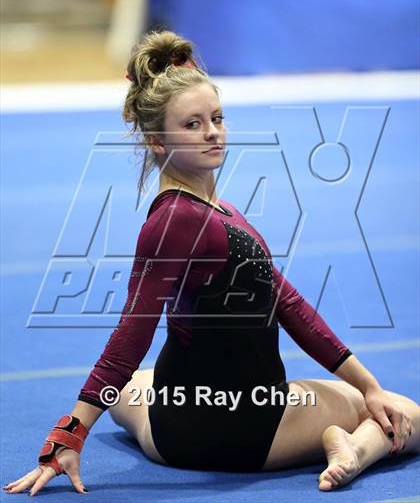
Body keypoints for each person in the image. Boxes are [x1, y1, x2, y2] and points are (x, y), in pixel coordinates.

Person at [3, 31, 419, 497]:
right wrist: (69, 433)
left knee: (130, 388)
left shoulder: (198, 209)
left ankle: (328, 431)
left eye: (217, 118)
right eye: (193, 124)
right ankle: (349, 448)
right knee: (405, 413)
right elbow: (131, 333)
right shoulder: (182, 221)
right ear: (158, 141)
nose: (212, 132)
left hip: (174, 424)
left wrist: (80, 424)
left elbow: (287, 302)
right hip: (246, 426)